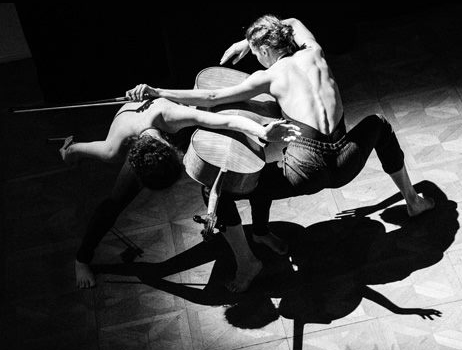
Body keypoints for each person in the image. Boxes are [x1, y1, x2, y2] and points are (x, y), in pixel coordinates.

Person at [127, 15, 434, 293]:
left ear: (264, 50)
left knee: (218, 188)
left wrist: (158, 92)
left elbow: (211, 96)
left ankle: (247, 262)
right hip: (347, 160)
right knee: (379, 124)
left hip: (308, 170)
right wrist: (249, 41)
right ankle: (413, 201)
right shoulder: (314, 51)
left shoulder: (270, 76)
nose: (256, 58)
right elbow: (294, 21)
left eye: (256, 52)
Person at [62, 96, 300, 288]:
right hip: (140, 133)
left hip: (174, 127)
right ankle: (81, 259)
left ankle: (260, 232)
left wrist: (262, 131)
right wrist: (70, 151)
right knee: (114, 203)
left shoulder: (172, 116)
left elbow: (228, 121)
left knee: (254, 171)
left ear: (169, 147)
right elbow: (86, 149)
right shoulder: (114, 147)